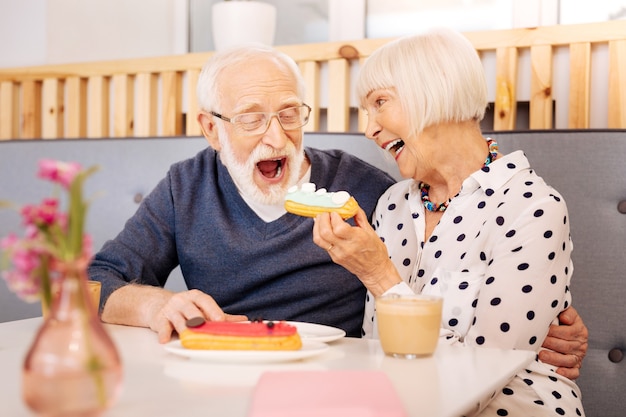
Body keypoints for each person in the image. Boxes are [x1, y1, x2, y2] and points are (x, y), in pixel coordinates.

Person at [88, 44, 587, 380]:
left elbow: (442, 282)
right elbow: (86, 286)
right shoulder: (186, 187)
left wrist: (546, 325)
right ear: (212, 129)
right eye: (250, 119)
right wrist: (154, 306)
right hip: (219, 377)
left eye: (289, 113)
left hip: (332, 387)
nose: (276, 136)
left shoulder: (368, 191)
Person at [312, 29, 585, 416]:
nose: (369, 128)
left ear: (435, 90)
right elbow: (384, 355)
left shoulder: (533, 207)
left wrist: (378, 275)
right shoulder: (391, 203)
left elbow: (479, 382)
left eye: (380, 103)